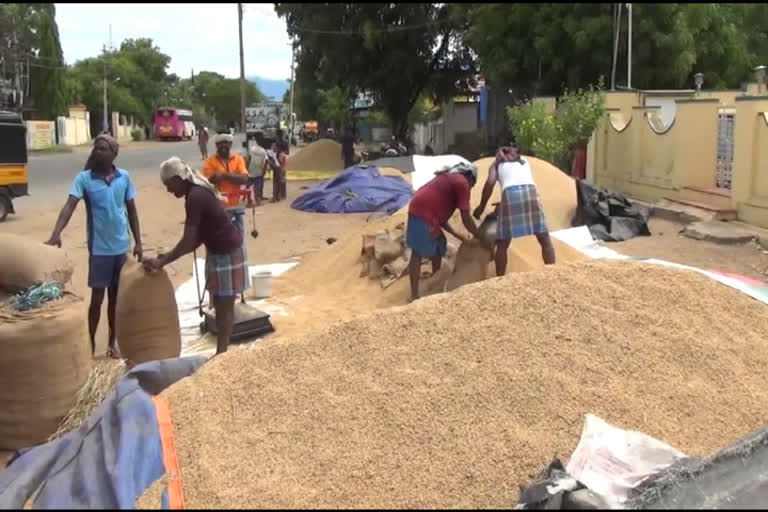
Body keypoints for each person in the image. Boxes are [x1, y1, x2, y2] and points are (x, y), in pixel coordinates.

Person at [45, 134, 143, 358]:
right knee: (97, 300)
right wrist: (55, 234)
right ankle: (89, 346)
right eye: (96, 149)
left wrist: (138, 243)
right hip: (99, 251)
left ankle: (111, 344)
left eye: (103, 149)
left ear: (113, 154)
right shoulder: (84, 179)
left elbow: (132, 212)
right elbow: (69, 206)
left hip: (122, 249)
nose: (98, 152)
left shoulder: (124, 178)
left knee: (115, 300)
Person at [144, 157, 245, 356]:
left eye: (168, 185)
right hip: (220, 250)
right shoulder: (196, 193)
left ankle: (222, 354)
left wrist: (162, 261)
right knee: (220, 302)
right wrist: (168, 256)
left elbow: (190, 240)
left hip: (226, 252)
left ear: (177, 178)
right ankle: (222, 352)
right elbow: (198, 236)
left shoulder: (195, 197)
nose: (169, 190)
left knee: (224, 305)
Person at [473, 143, 556, 276]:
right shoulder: (524, 161)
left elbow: (490, 183)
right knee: (544, 237)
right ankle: (553, 273)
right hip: (531, 191)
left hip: (510, 193)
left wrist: (481, 207)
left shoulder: (495, 165)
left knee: (502, 242)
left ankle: (500, 279)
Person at [406, 162, 483, 303]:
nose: (471, 188)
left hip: (427, 212)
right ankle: (414, 295)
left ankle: (435, 281)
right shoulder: (462, 183)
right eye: (473, 184)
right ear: (470, 177)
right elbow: (466, 217)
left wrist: (457, 235)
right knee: (417, 252)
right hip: (421, 212)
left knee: (439, 243)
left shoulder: (450, 178)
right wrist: (480, 236)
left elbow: (441, 219)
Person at [202, 132, 249, 235]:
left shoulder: (238, 159)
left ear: (230, 144)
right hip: (217, 208)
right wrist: (215, 178)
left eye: (226, 142)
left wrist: (223, 176)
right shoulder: (209, 162)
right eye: (220, 143)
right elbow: (206, 183)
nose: (223, 145)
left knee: (238, 239)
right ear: (216, 145)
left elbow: (245, 179)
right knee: (220, 239)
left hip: (236, 207)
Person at [244, 140, 267, 205]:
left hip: (251, 170)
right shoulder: (263, 151)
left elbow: (248, 159)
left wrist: (246, 168)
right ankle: (257, 200)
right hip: (259, 172)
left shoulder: (252, 149)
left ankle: (249, 200)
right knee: (257, 187)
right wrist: (264, 170)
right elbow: (266, 161)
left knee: (248, 186)